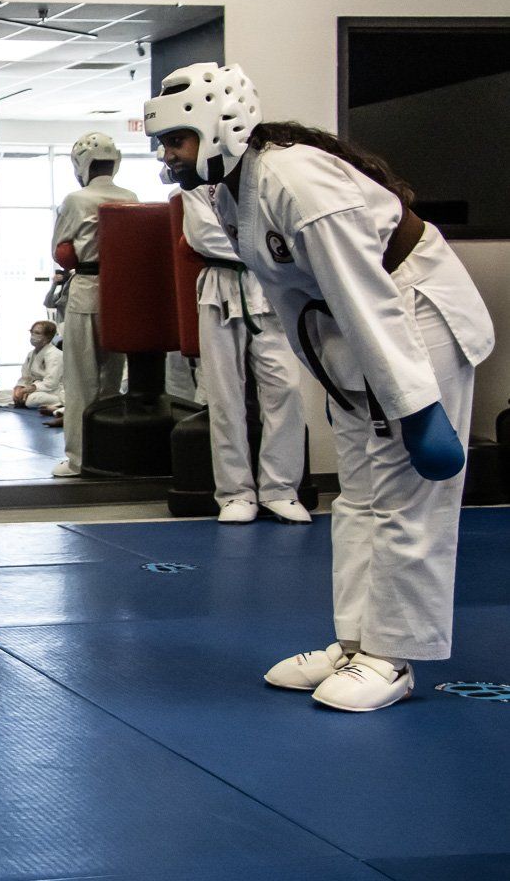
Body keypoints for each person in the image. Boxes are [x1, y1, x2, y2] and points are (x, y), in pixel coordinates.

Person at [146, 62, 494, 712]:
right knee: (358, 492)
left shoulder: (295, 183)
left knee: (403, 496)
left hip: (413, 316)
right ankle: (357, 642)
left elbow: (366, 298)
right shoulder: (230, 193)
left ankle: (392, 657)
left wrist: (416, 408)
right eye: (162, 143)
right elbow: (292, 298)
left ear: (219, 126)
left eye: (177, 140)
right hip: (352, 333)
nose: (168, 156)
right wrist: (334, 386)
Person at [181, 184, 311, 524]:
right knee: (225, 395)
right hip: (220, 286)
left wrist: (272, 253)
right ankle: (235, 493)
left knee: (286, 388)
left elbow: (289, 229)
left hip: (271, 288)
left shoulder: (265, 177)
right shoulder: (198, 184)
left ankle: (280, 489)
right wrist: (268, 250)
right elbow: (204, 236)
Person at [50, 132, 137, 477]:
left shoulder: (76, 199)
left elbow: (62, 252)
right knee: (112, 380)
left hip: (87, 289)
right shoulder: (131, 197)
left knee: (80, 380)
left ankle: (80, 459)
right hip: (121, 292)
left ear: (80, 165)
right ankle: (112, 453)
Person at [0, 320, 63, 410]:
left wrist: (25, 391)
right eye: (32, 332)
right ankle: (22, 400)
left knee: (33, 399)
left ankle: (59, 402)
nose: (33, 336)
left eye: (37, 333)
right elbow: (25, 377)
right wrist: (18, 389)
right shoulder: (31, 354)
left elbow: (51, 383)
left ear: (48, 337)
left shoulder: (55, 354)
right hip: (32, 390)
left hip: (53, 392)